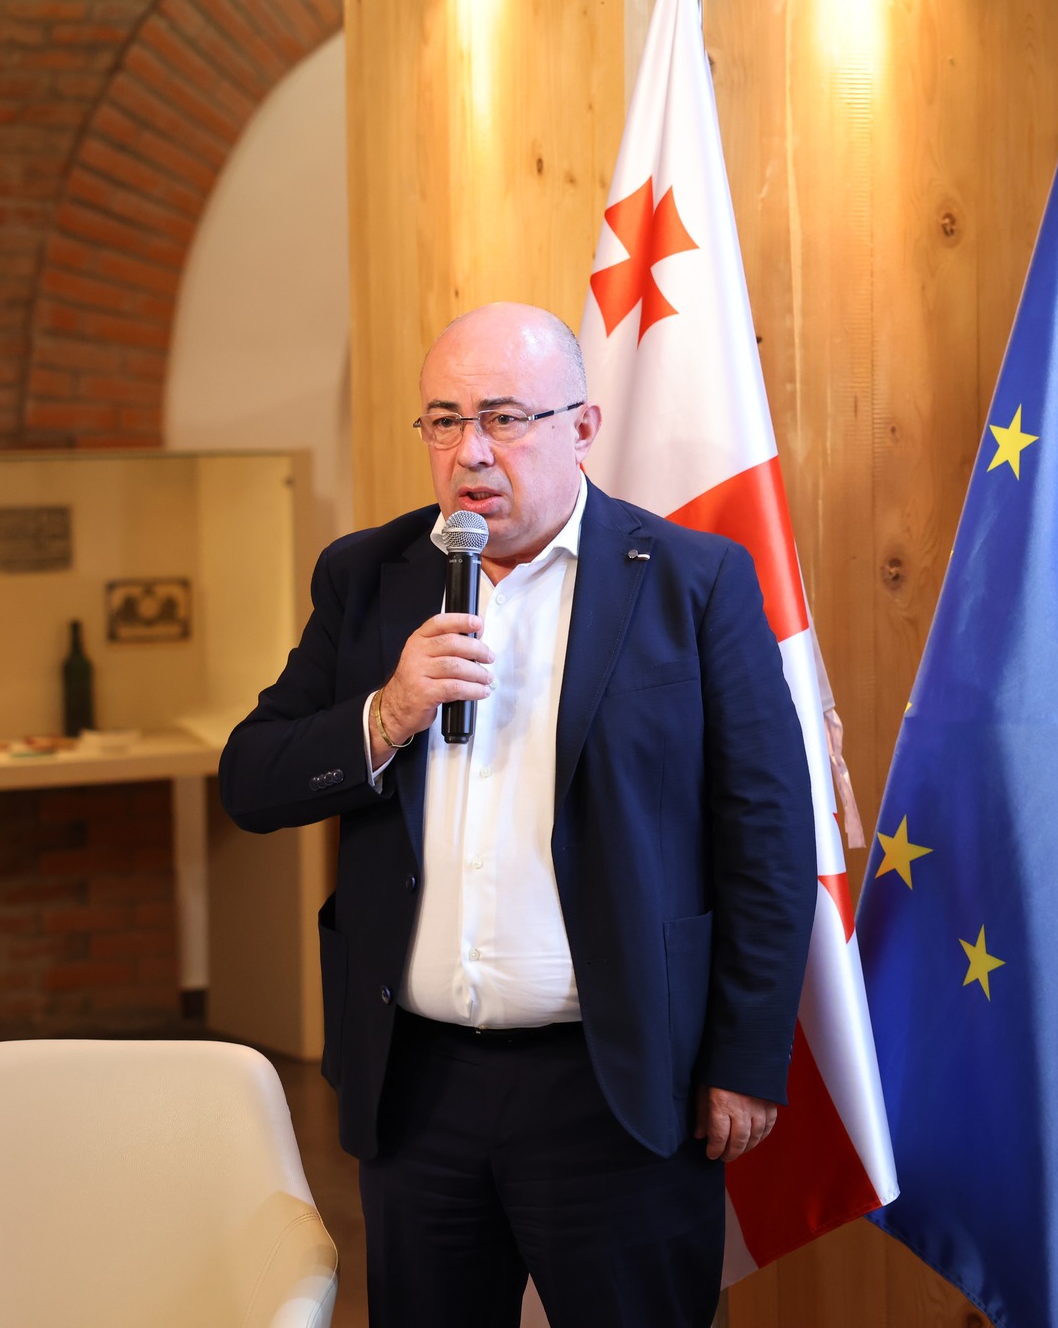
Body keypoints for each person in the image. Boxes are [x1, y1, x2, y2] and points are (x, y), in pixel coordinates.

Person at [219, 302, 816, 1327]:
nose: (470, 453)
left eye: (504, 418)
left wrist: (745, 1056)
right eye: (444, 421)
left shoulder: (692, 581)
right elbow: (251, 779)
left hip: (617, 1084)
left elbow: (765, 838)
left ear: (582, 428)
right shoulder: (366, 578)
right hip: (417, 1086)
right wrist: (386, 715)